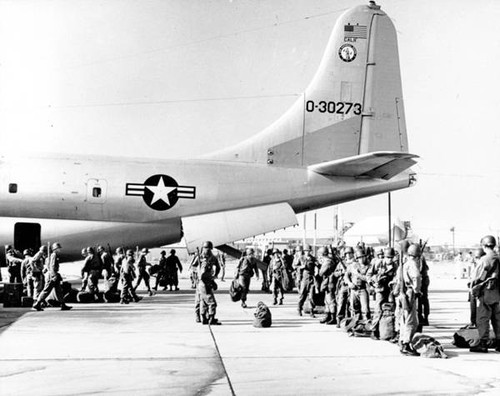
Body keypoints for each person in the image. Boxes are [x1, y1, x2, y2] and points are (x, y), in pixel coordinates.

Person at [469, 235, 500, 353]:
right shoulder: (498, 258)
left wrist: (472, 287)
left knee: (483, 318)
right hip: (497, 293)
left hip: (486, 293)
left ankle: (483, 343)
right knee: (497, 319)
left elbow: (477, 278)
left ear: (484, 245)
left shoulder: (485, 260)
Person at [397, 243, 422, 356]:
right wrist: (417, 290)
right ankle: (407, 344)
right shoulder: (412, 264)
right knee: (411, 321)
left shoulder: (404, 264)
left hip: (402, 294)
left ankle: (402, 341)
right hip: (409, 292)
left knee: (403, 319)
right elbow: (416, 277)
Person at [32, 243, 72, 311]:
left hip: (52, 274)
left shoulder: (51, 256)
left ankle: (63, 305)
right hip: (52, 275)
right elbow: (52, 266)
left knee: (58, 290)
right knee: (46, 290)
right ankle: (37, 303)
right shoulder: (54, 255)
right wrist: (54, 275)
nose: (60, 250)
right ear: (55, 249)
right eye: (58, 248)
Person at [369, 247, 397, 336]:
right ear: (384, 257)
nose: (390, 260)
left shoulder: (395, 265)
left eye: (391, 258)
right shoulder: (378, 263)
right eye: (388, 257)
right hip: (380, 288)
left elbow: (397, 276)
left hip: (390, 289)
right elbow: (369, 274)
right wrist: (373, 283)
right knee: (378, 309)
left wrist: (394, 281)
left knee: (391, 308)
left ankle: (390, 330)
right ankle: (374, 330)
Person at [192, 241, 221, 325]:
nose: (207, 250)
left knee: (203, 300)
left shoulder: (213, 258)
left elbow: (218, 267)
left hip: (208, 280)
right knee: (200, 300)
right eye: (205, 248)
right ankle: (199, 316)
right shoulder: (199, 256)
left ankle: (205, 317)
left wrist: (215, 276)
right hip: (200, 281)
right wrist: (197, 274)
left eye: (208, 248)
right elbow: (193, 267)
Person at [345, 247, 371, 321]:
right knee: (354, 308)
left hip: (363, 289)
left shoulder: (368, 266)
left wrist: (357, 274)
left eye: (363, 257)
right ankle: (355, 325)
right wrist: (349, 283)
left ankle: (366, 324)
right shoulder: (353, 265)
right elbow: (346, 276)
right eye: (359, 258)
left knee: (365, 309)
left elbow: (367, 278)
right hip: (353, 289)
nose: (361, 259)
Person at [318, 246, 338, 325]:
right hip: (327, 281)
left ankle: (333, 317)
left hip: (329, 282)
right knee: (327, 300)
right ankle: (328, 315)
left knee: (330, 300)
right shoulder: (327, 260)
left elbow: (321, 273)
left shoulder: (327, 262)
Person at [297, 245, 318, 317]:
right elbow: (294, 266)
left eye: (308, 251)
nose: (307, 252)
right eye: (306, 251)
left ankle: (311, 311)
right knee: (302, 294)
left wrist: (317, 267)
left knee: (311, 296)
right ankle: (299, 308)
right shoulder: (301, 258)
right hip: (304, 278)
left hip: (311, 278)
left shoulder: (313, 258)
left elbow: (317, 265)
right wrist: (300, 267)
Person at [335, 246, 354, 325]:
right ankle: (339, 319)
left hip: (352, 285)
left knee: (351, 303)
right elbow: (335, 274)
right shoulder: (341, 263)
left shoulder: (355, 263)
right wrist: (341, 273)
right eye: (347, 254)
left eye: (350, 253)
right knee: (341, 302)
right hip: (343, 284)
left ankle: (350, 320)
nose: (348, 255)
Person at [467, 248, 485, 328]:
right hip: (473, 288)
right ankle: (473, 322)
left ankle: (476, 323)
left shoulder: (484, 266)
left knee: (477, 308)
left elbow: (482, 277)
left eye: (478, 258)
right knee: (473, 306)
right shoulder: (476, 265)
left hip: (478, 289)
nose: (476, 259)